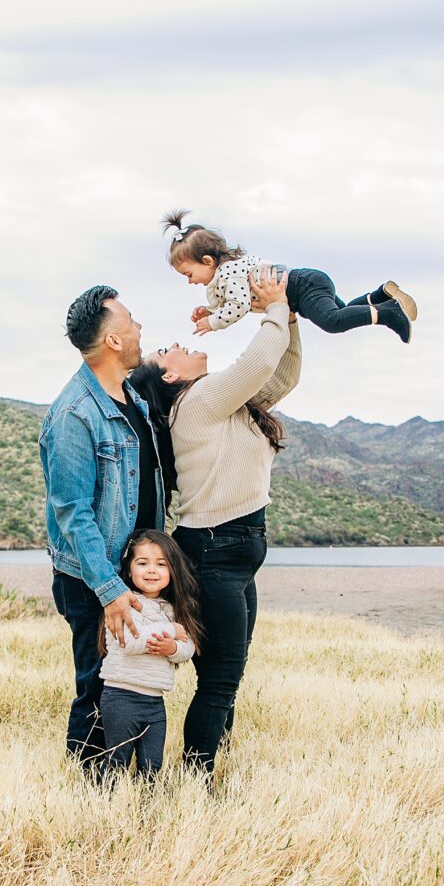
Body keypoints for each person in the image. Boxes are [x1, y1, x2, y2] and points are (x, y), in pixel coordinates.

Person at [129, 268, 301, 774]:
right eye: (168, 350)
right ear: (170, 375)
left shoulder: (221, 405)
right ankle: (197, 780)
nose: (179, 343)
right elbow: (256, 361)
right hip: (215, 554)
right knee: (220, 679)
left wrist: (287, 316)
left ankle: (208, 771)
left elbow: (281, 375)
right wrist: (270, 307)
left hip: (233, 554)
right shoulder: (200, 400)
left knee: (227, 676)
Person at [39, 285, 166, 772]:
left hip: (126, 573)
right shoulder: (75, 413)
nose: (139, 330)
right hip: (95, 579)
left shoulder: (128, 395)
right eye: (131, 322)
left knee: (132, 680)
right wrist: (110, 590)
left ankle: (120, 780)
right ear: (113, 340)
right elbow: (73, 511)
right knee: (97, 685)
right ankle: (88, 789)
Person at [162, 209, 417, 344]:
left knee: (332, 321)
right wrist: (209, 311)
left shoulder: (228, 272)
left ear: (207, 261)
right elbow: (231, 301)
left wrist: (213, 322)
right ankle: (379, 295)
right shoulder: (229, 272)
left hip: (301, 287)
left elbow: (238, 305)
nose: (190, 281)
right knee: (344, 312)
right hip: (306, 282)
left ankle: (389, 312)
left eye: (189, 274)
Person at [98, 529, 202, 777]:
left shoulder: (173, 608)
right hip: (121, 696)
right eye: (142, 563)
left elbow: (188, 648)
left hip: (155, 700)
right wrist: (170, 630)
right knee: (116, 760)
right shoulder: (124, 602)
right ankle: (103, 805)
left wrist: (173, 647)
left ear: (172, 571)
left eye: (161, 564)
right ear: (129, 568)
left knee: (152, 765)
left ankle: (146, 808)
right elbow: (132, 642)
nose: (151, 570)